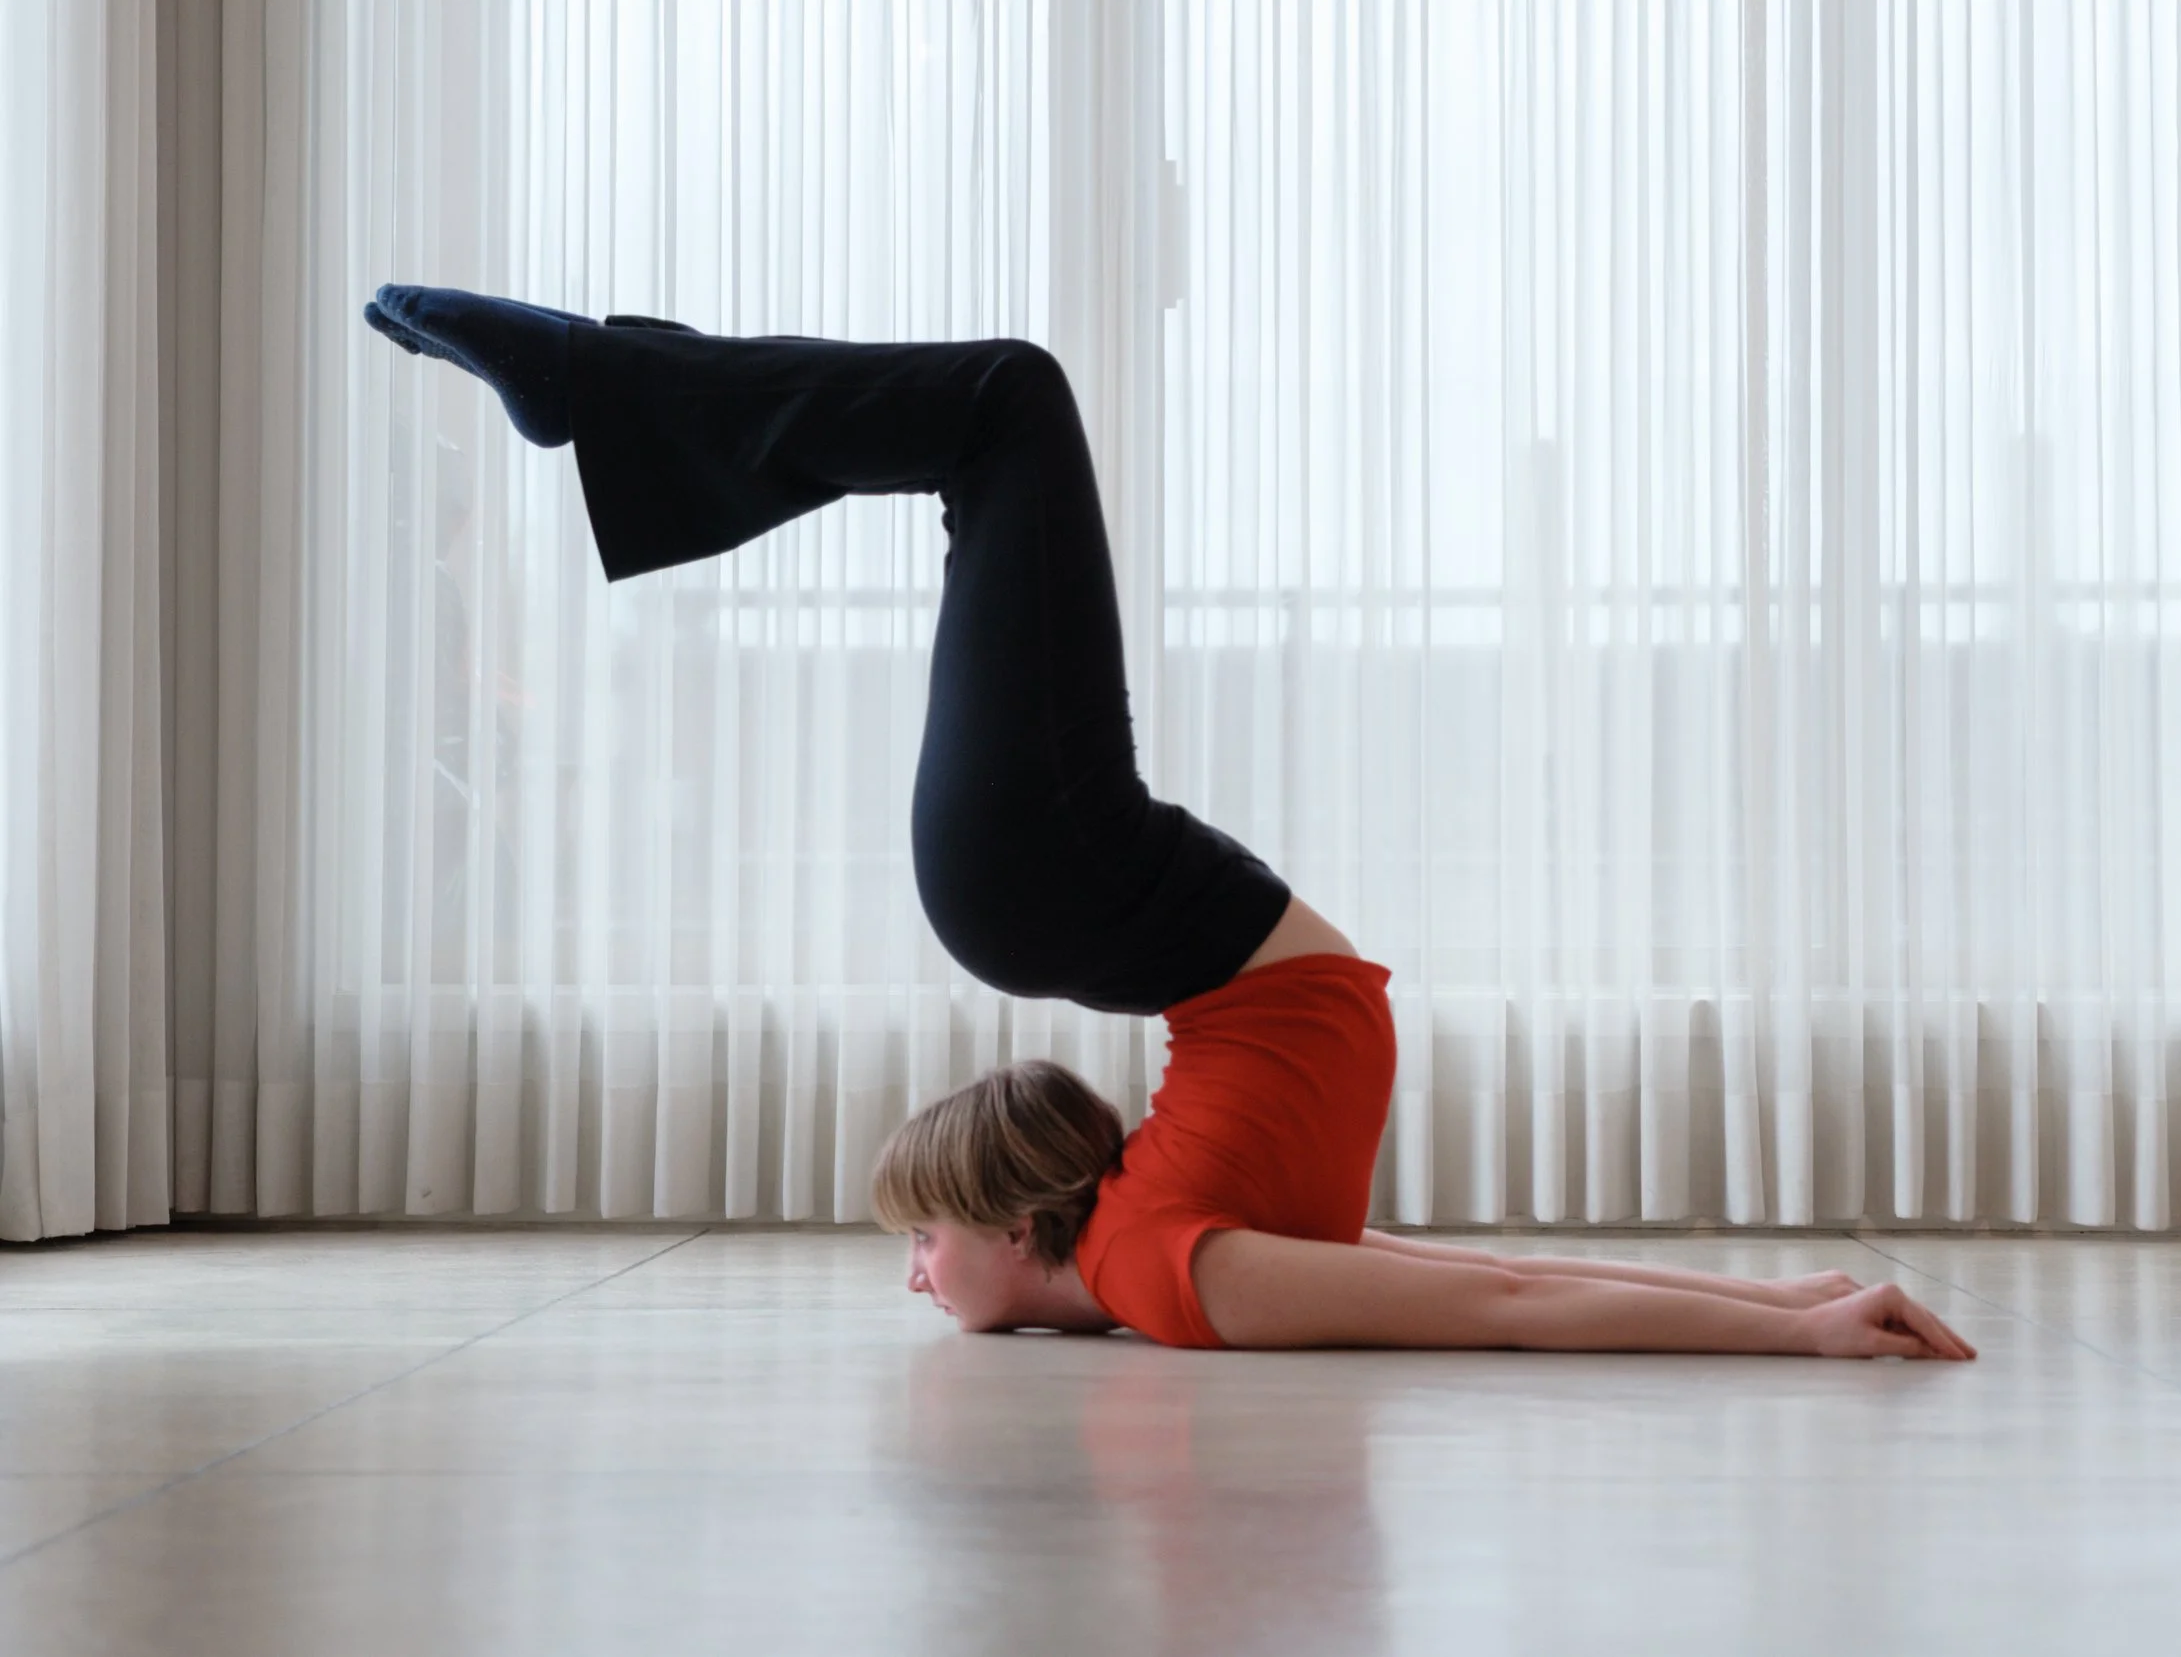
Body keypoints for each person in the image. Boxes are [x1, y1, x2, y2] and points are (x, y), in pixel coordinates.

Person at [365, 284, 1976, 1363]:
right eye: (927, 1240)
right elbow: (1486, 1287)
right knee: (1004, 404)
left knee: (1005, 415)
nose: (913, 1270)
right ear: (1013, 1225)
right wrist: (1794, 1307)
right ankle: (601, 395)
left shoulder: (1161, 1236)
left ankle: (608, 398)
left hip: (1070, 886)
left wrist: (1795, 1321)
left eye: (916, 1242)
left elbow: (1483, 1289)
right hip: (1051, 878)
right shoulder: (1159, 1261)